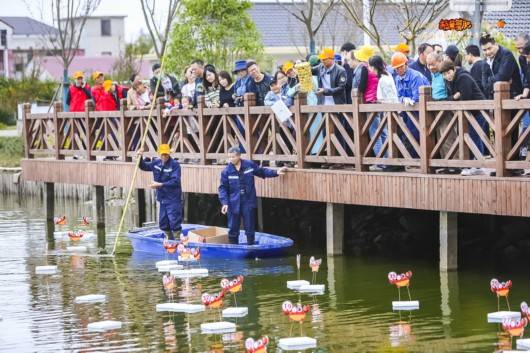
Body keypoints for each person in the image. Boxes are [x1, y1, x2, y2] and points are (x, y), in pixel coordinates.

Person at [218, 146, 287, 245]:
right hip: (233, 203)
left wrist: (276, 172)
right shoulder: (226, 171)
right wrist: (224, 203)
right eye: (229, 157)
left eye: (232, 157)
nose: (230, 159)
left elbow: (261, 171)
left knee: (250, 227)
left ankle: (251, 245)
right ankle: (233, 248)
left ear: (239, 156)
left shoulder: (248, 165)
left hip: (248, 201)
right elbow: (222, 188)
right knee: (233, 228)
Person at [440, 59, 490, 176]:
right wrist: (454, 97)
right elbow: (450, 97)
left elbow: (465, 99)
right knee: (473, 136)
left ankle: (476, 164)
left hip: (478, 110)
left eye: (448, 72)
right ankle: (477, 164)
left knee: (473, 136)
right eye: (444, 74)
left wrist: (456, 97)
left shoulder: (463, 78)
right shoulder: (450, 81)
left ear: (453, 69)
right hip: (469, 112)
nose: (447, 76)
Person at [137, 144, 182, 240]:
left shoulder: (175, 165)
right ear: (159, 154)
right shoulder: (156, 163)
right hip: (162, 198)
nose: (164, 156)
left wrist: (160, 184)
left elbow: (175, 181)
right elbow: (143, 166)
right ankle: (169, 239)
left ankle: (178, 240)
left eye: (166, 154)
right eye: (162, 154)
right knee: (163, 223)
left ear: (169, 154)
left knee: (174, 221)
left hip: (173, 198)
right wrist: (139, 156)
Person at [391, 52, 430, 153]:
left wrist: (408, 99)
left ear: (406, 64)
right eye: (396, 68)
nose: (399, 69)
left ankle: (420, 159)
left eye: (401, 66)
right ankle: (414, 160)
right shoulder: (397, 78)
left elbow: (417, 98)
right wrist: (404, 99)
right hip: (408, 111)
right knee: (408, 135)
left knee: (418, 135)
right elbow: (398, 96)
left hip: (421, 110)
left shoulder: (415, 76)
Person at [426, 52, 458, 166]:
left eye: (433, 64)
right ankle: (446, 163)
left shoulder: (445, 73)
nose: (430, 67)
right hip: (436, 107)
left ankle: (454, 163)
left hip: (446, 106)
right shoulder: (433, 74)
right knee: (440, 136)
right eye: (428, 65)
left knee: (449, 135)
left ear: (440, 61)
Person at [480, 33, 522, 100]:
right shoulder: (485, 61)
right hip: (495, 99)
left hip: (513, 97)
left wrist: (489, 80)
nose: (487, 52)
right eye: (484, 50)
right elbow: (484, 85)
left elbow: (502, 77)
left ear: (495, 44)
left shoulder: (506, 55)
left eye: (489, 48)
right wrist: (493, 81)